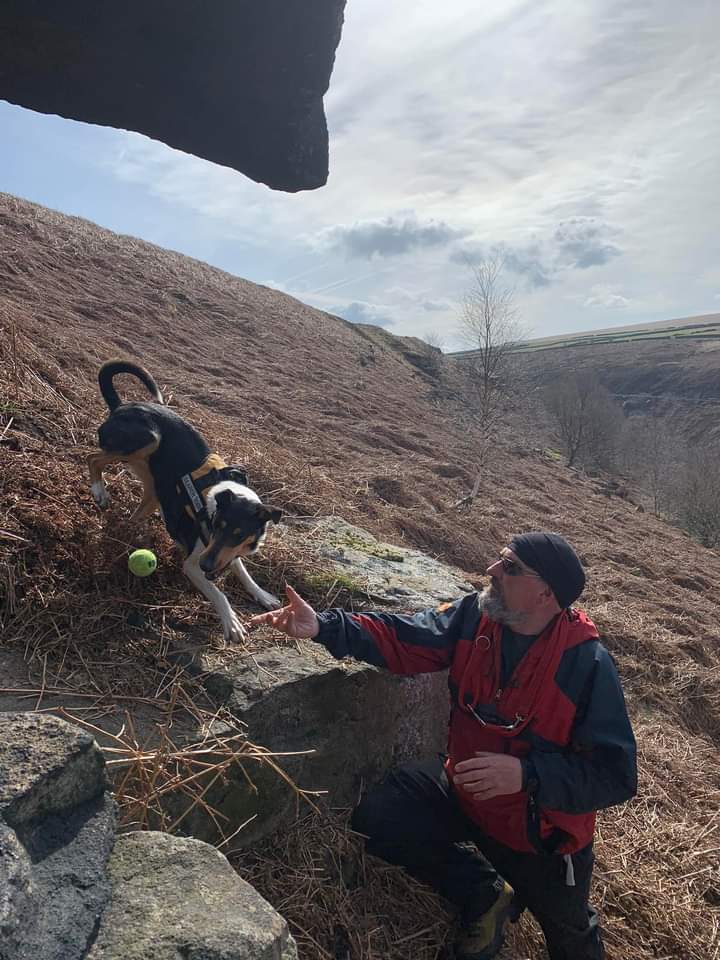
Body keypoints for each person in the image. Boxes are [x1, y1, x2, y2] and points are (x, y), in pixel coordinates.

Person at [250, 532, 637, 960]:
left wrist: (527, 776)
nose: (491, 570)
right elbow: (408, 637)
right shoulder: (476, 616)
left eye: (510, 567)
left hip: (538, 837)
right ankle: (483, 889)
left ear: (547, 593)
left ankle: (529, 893)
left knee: (571, 938)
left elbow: (615, 774)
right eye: (499, 558)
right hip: (464, 793)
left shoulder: (587, 665)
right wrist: (324, 625)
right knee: (381, 816)